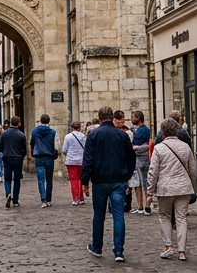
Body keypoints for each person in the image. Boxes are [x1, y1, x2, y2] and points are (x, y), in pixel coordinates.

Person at [82, 106, 135, 263]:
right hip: (118, 180)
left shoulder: (93, 135)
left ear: (99, 119)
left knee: (99, 215)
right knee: (118, 215)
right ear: (112, 118)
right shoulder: (122, 135)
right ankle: (118, 250)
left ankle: (97, 246)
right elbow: (131, 158)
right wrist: (127, 175)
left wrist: (84, 181)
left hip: (99, 180)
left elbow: (88, 160)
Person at [146, 118, 197, 261]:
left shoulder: (159, 148)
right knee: (181, 218)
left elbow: (153, 171)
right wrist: (195, 187)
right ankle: (182, 251)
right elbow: (193, 170)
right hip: (183, 187)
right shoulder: (185, 147)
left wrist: (149, 191)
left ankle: (168, 246)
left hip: (165, 188)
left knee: (164, 216)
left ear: (163, 132)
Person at [0, 116, 28, 208]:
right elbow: (24, 149)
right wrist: (22, 156)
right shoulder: (21, 135)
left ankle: (8, 194)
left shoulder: (4, 134)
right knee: (17, 180)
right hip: (17, 159)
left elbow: (0, 147)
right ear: (18, 123)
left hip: (7, 158)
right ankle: (15, 200)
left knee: (7, 179)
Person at [31, 113, 59, 207]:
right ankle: (49, 199)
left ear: (40, 120)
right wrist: (55, 154)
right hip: (49, 157)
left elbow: (32, 143)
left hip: (38, 156)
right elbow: (56, 145)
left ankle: (43, 199)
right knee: (49, 179)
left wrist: (32, 152)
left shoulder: (35, 131)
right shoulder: (53, 132)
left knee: (40, 179)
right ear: (48, 121)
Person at [130, 111, 152, 215]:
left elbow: (148, 145)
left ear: (138, 118)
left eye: (133, 117)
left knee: (145, 183)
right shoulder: (133, 130)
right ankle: (140, 206)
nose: (132, 119)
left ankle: (147, 206)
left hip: (143, 160)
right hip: (135, 160)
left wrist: (136, 148)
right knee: (137, 184)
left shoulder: (145, 130)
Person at [63, 121, 88, 205]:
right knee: (81, 179)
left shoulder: (68, 137)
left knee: (74, 180)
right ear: (80, 127)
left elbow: (64, 150)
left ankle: (75, 198)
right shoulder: (83, 136)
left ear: (71, 127)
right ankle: (81, 198)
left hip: (71, 161)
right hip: (81, 161)